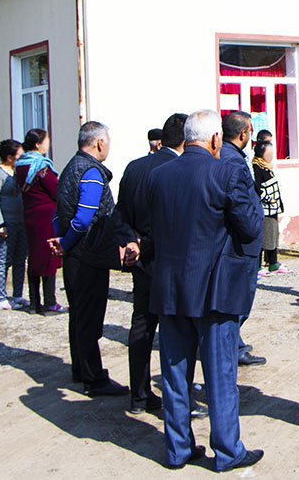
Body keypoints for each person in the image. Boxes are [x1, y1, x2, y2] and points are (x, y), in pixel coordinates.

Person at [143, 110, 264, 472]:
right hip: (214, 290)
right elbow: (250, 227)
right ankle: (227, 451)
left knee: (175, 374)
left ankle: (178, 449)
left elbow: (153, 228)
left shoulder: (158, 174)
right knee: (220, 374)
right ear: (215, 139)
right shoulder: (226, 172)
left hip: (170, 288)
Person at [49, 121, 140, 397]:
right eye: (108, 141)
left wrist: (62, 241)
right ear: (99, 143)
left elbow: (59, 212)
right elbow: (83, 218)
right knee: (89, 317)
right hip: (89, 255)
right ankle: (94, 379)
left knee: (78, 314)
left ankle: (80, 369)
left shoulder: (71, 166)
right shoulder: (91, 172)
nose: (108, 146)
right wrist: (66, 242)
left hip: (75, 254)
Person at [116, 114, 187, 414]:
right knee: (175, 332)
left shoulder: (135, 166)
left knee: (142, 327)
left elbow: (119, 214)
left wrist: (130, 242)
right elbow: (172, 222)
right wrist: (141, 244)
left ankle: (139, 395)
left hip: (142, 262)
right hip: (169, 261)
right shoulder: (179, 170)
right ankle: (177, 401)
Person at [221, 111, 266, 367]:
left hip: (243, 241)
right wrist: (253, 229)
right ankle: (231, 348)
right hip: (242, 243)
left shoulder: (232, 156)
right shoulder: (232, 160)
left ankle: (234, 343)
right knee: (241, 298)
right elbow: (239, 204)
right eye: (250, 130)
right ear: (243, 133)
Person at [15, 129, 65, 315]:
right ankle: (50, 302)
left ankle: (34, 302)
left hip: (29, 214)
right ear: (38, 144)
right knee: (48, 256)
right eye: (46, 140)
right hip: (46, 216)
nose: (48, 143)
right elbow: (55, 190)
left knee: (34, 257)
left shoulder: (20, 165)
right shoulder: (41, 166)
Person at [0, 139, 28, 310]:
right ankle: (1, 298)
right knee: (4, 260)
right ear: (9, 157)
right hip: (6, 223)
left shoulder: (17, 172)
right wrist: (0, 224)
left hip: (21, 222)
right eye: (19, 155)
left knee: (20, 259)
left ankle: (17, 295)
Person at [253, 140, 290, 276]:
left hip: (273, 208)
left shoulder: (269, 166)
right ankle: (258, 265)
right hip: (265, 208)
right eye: (269, 152)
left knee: (273, 234)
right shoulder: (256, 167)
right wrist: (268, 198)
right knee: (264, 236)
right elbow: (257, 187)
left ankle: (273, 262)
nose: (272, 155)